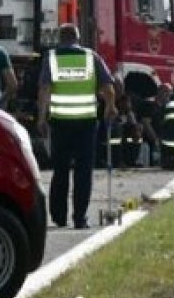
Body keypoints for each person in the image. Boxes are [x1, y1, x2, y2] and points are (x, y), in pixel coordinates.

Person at [37, 24, 116, 229]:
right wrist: (110, 107)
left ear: (60, 38)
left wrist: (41, 117)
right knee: (83, 171)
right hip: (86, 123)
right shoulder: (91, 57)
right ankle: (80, 218)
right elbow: (108, 87)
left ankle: (59, 216)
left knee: (60, 170)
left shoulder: (52, 58)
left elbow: (45, 89)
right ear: (78, 38)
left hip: (60, 122)